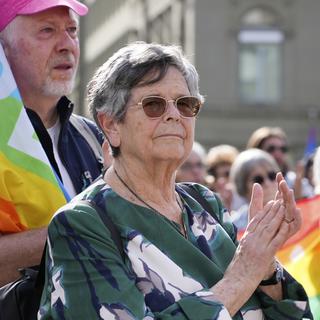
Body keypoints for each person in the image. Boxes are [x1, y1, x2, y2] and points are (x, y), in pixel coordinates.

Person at [39, 42, 312, 319]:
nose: (174, 114)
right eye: (153, 104)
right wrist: (243, 275)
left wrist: (265, 268)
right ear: (110, 124)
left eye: (185, 104)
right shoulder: (82, 223)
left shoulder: (204, 203)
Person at [0, 0, 104, 286]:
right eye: (47, 30)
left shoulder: (95, 138)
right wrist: (78, 233)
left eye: (72, 30)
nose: (66, 44)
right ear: (3, 47)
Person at [247, 126, 313, 199]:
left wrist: (298, 196)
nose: (278, 153)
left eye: (283, 149)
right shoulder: (245, 182)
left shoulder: (295, 181)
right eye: (271, 149)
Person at [229, 149, 280, 236]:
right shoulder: (234, 227)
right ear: (243, 186)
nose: (267, 183)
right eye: (258, 180)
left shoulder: (292, 215)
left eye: (271, 176)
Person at [205, 144, 245, 212]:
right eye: (215, 175)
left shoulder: (245, 200)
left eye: (227, 174)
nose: (221, 181)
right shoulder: (205, 200)